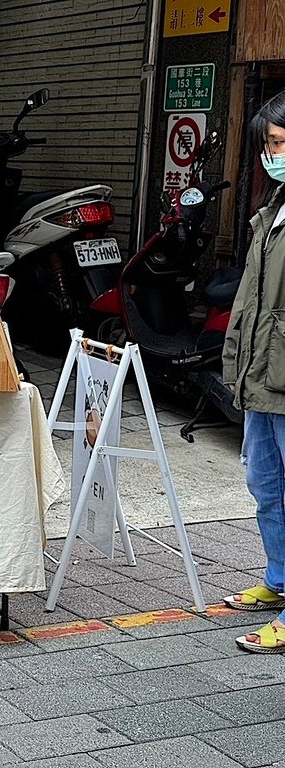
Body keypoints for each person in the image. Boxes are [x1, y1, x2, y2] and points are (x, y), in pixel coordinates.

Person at [223, 90, 285, 653]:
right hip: (264, 375)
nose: (272, 154)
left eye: (280, 143)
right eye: (269, 144)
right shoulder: (272, 212)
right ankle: (279, 582)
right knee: (265, 486)